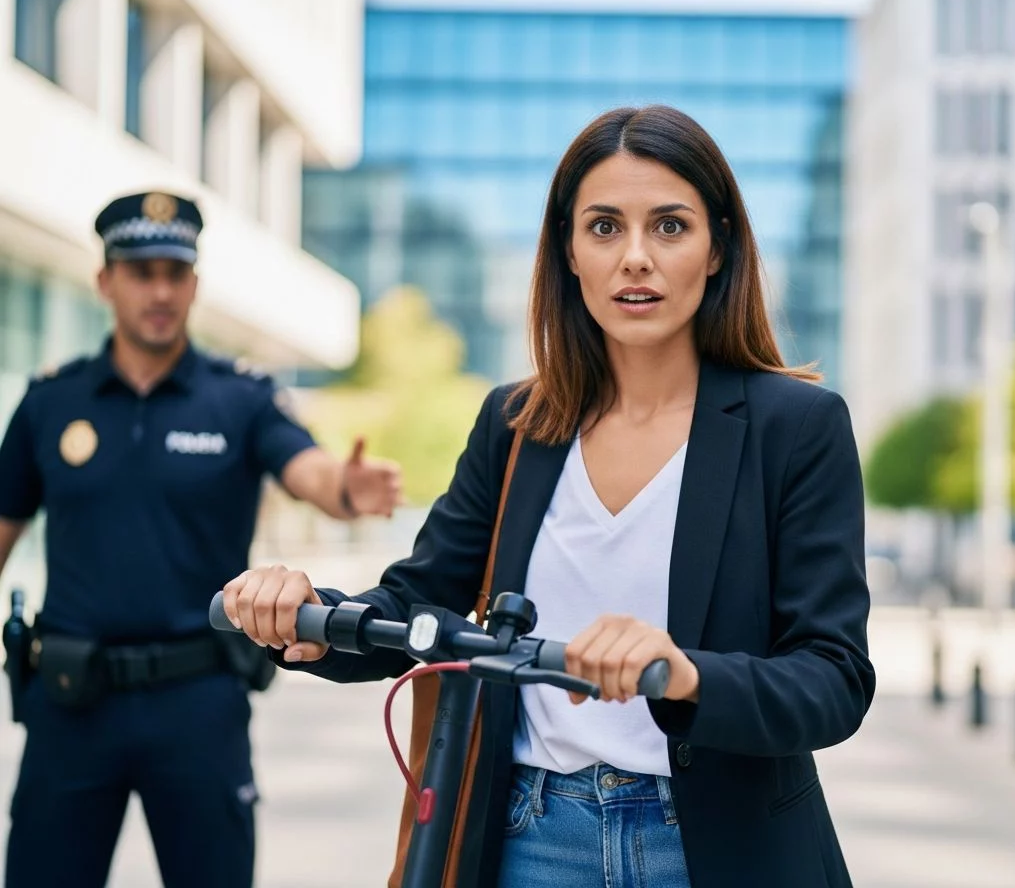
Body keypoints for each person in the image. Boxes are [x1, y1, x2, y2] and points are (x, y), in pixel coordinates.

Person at [224, 104, 875, 888]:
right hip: (530, 841)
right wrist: (306, 614)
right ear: (568, 250)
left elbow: (833, 678)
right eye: (604, 228)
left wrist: (687, 673)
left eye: (670, 227)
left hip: (716, 848)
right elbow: (418, 601)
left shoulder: (796, 428)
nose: (635, 257)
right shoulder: (516, 424)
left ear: (717, 249)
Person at [0, 190, 404, 888]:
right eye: (140, 271)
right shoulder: (49, 402)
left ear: (194, 285)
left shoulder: (240, 398)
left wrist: (345, 487)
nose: (159, 290)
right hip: (70, 704)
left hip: (199, 703)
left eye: (174, 273)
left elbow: (307, 468)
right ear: (106, 281)